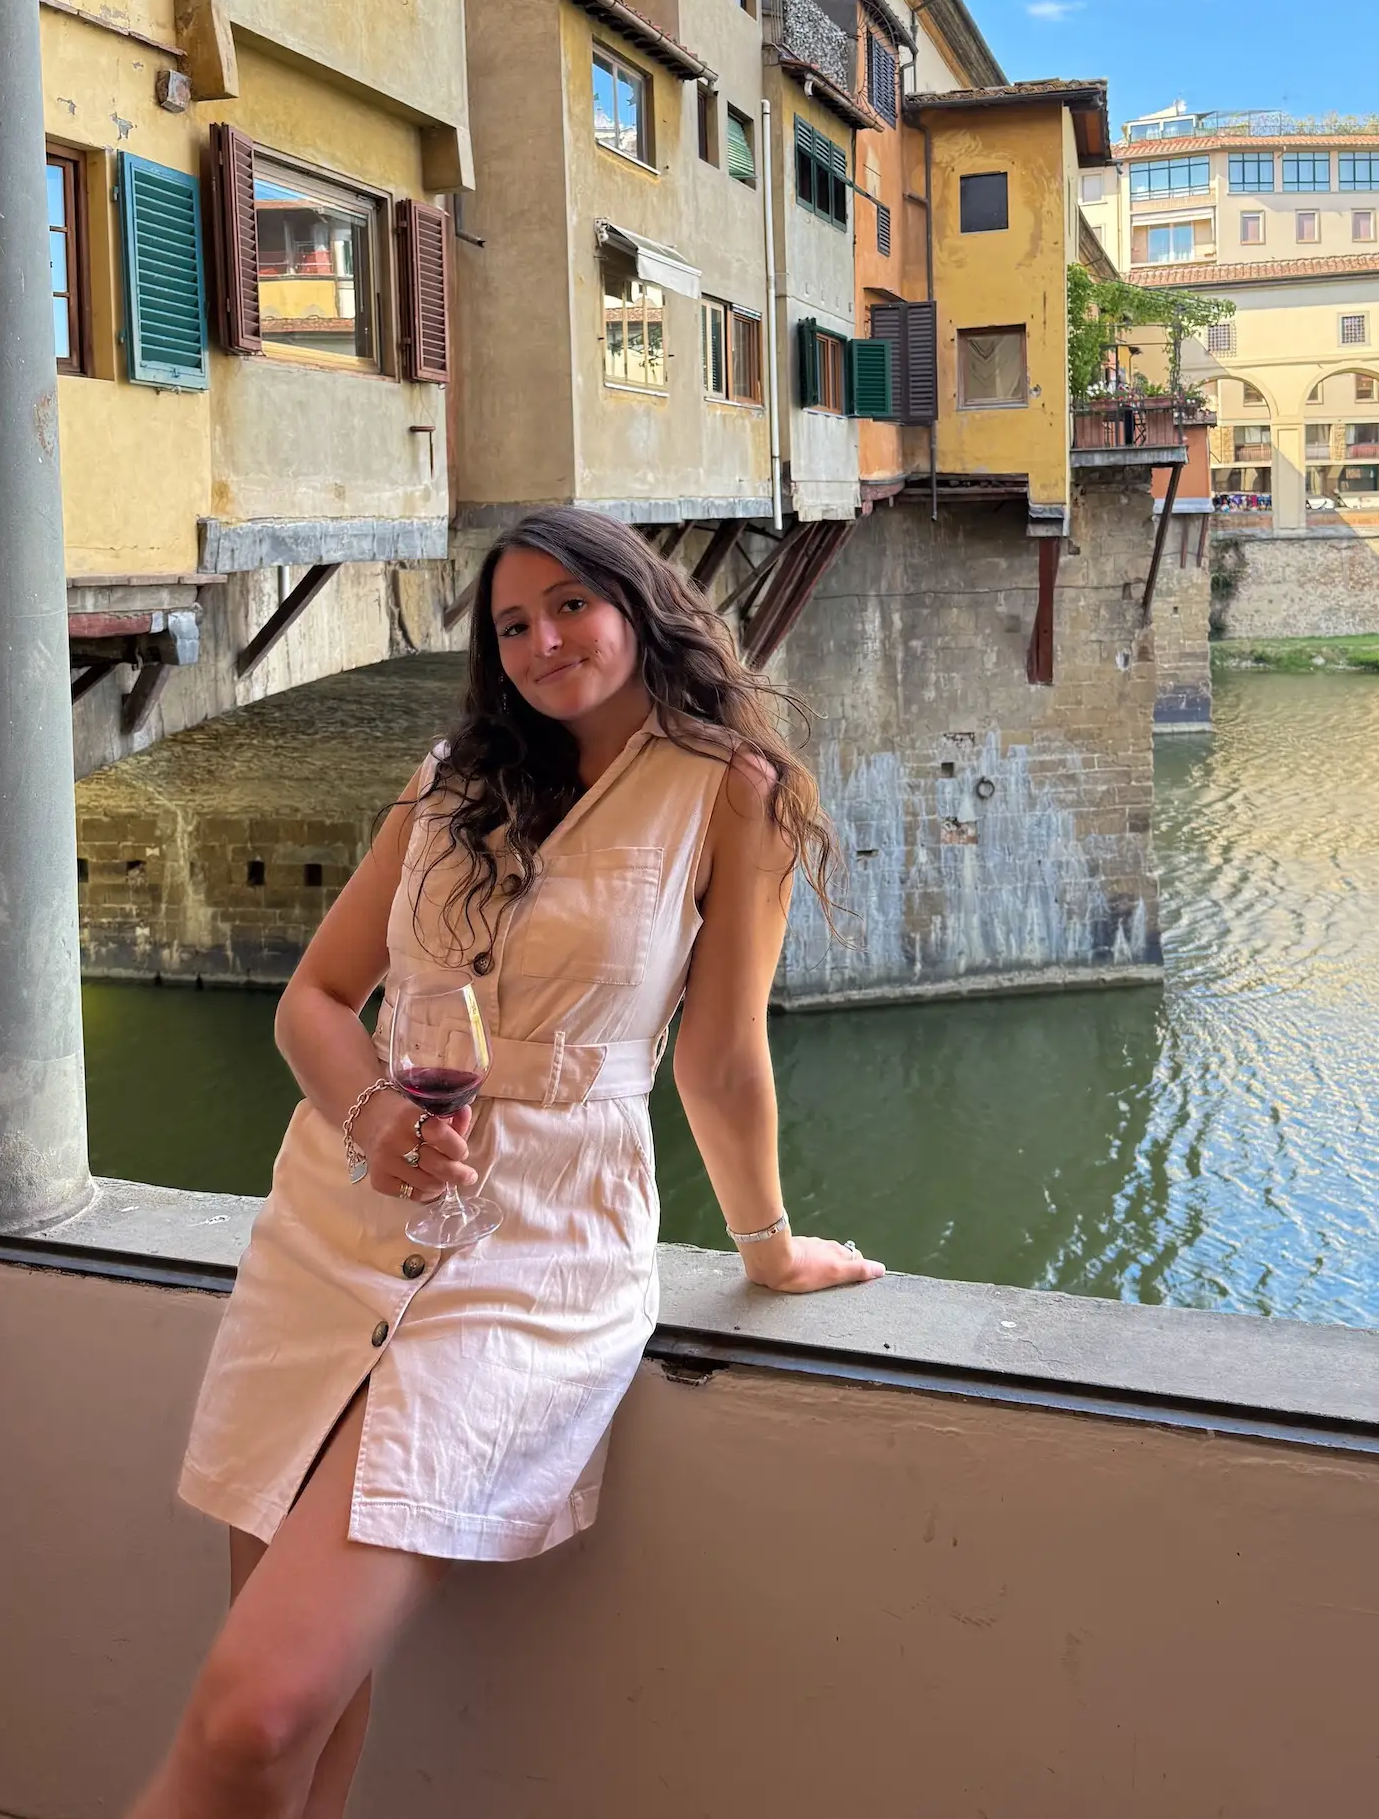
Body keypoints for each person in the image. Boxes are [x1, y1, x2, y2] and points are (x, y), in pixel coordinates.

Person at [128, 507, 882, 1819]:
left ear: (638, 606)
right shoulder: (446, 783)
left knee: (251, 1710)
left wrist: (767, 1246)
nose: (543, 642)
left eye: (570, 606)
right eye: (511, 624)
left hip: (535, 1256)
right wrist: (373, 1119)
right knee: (291, 1713)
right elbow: (313, 1001)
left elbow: (716, 1057)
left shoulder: (727, 790)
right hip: (331, 1230)